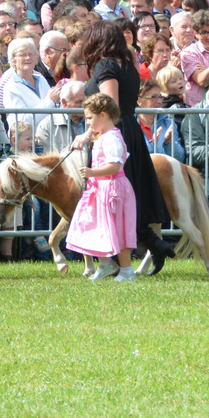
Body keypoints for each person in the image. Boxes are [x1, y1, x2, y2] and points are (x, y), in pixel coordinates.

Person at [75, 17, 173, 272]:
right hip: (129, 131)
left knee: (108, 195)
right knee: (125, 196)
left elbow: (108, 107)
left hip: (113, 133)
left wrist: (89, 134)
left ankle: (116, 258)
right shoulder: (128, 63)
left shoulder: (106, 65)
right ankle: (150, 244)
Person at [66, 91, 140, 282]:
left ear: (103, 116)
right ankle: (105, 263)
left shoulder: (111, 138)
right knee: (98, 226)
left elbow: (115, 166)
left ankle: (126, 270)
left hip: (112, 189)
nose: (88, 123)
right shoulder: (102, 136)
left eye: (90, 118)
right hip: (100, 189)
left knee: (118, 228)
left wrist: (92, 172)